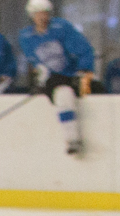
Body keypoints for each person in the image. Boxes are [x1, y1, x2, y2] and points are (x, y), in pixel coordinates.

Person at [18, 0, 96, 156]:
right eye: (38, 13)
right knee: (63, 94)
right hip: (52, 78)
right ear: (32, 16)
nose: (42, 17)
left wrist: (84, 70)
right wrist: (40, 73)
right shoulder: (26, 36)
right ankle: (72, 138)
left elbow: (84, 49)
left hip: (72, 74)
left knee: (94, 91)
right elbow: (33, 60)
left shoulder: (61, 27)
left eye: (45, 13)